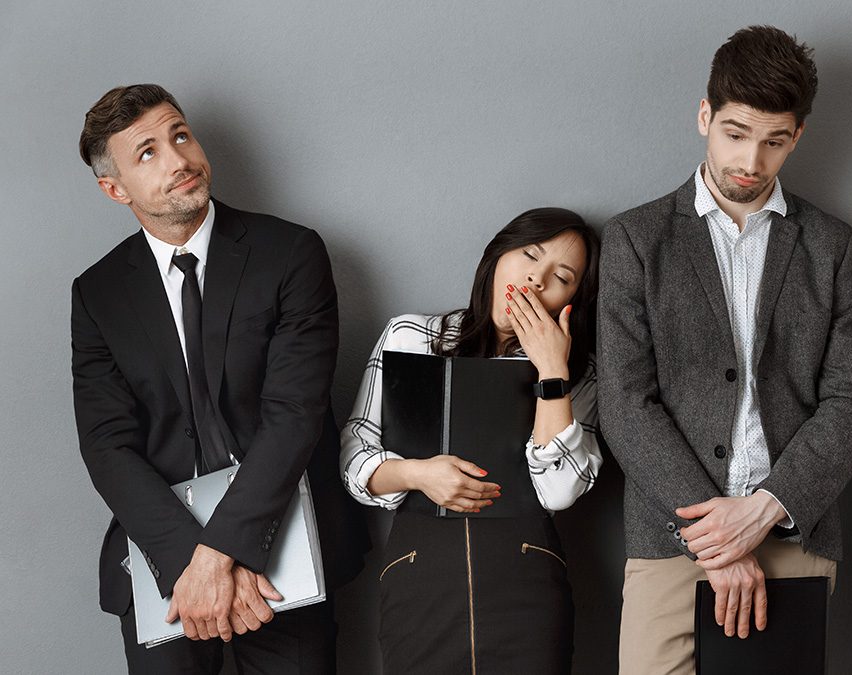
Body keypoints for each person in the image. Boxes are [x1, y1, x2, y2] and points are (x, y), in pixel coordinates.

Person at [597, 25, 852, 674]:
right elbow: (625, 402)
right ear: (705, 115)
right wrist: (719, 542)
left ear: (798, 135)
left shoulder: (832, 247)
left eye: (774, 141)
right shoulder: (636, 240)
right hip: (671, 539)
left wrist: (763, 510)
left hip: (793, 534)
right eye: (735, 133)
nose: (751, 159)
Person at [71, 84, 369, 674]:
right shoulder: (97, 293)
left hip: (287, 544)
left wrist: (221, 554)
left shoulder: (291, 253)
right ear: (115, 188)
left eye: (180, 134)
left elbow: (294, 414)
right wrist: (191, 564)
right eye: (148, 152)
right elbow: (107, 445)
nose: (179, 159)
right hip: (164, 561)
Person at [340, 208, 602, 674]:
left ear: (572, 299)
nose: (536, 280)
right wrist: (417, 474)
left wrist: (551, 371)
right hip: (420, 577)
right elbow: (354, 454)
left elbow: (560, 492)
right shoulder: (411, 336)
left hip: (525, 585)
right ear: (498, 254)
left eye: (561, 276)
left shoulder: (578, 374)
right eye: (529, 255)